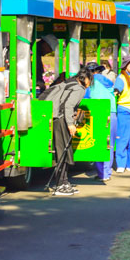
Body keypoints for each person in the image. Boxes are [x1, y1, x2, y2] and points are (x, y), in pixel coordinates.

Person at [42, 67, 92, 196]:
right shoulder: (79, 89)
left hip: (56, 119)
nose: (90, 83)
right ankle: (60, 185)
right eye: (90, 79)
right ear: (85, 79)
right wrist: (70, 124)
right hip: (61, 120)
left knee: (62, 151)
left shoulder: (68, 83)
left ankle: (64, 182)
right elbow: (68, 105)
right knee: (63, 152)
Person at [84, 62, 117, 182]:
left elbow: (85, 98)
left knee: (99, 143)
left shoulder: (90, 81)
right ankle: (107, 172)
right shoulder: (107, 81)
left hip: (98, 112)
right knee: (109, 143)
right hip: (112, 112)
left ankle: (102, 173)